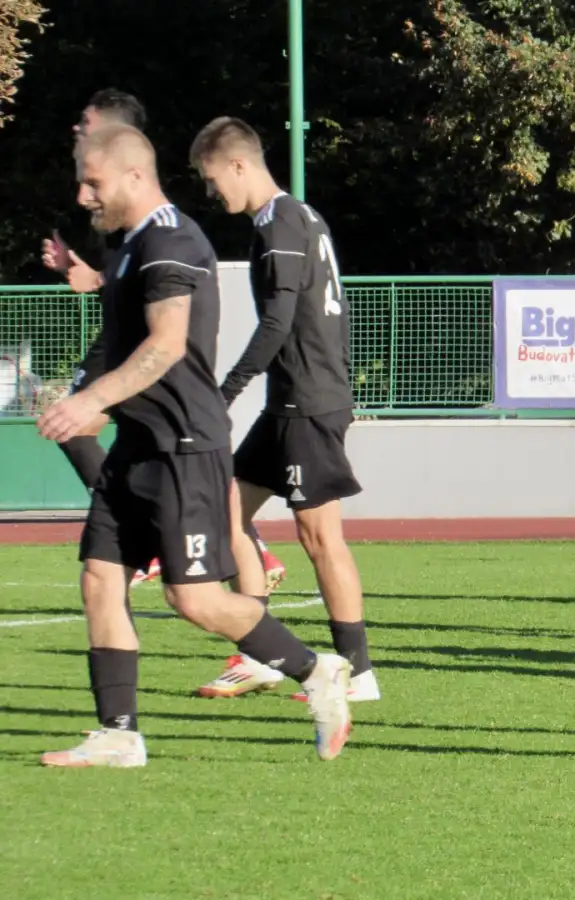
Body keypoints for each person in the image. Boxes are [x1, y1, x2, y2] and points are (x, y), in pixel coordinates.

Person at [34, 125, 351, 767]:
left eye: (92, 181)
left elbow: (167, 342)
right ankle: (119, 733)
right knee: (100, 577)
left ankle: (318, 671)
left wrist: (91, 400)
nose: (82, 194)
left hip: (185, 447)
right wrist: (86, 274)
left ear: (133, 178)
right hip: (137, 445)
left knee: (196, 601)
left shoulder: (172, 241)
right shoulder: (128, 245)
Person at [39, 90, 286, 592]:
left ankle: (288, 641)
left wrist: (98, 392)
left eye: (86, 121)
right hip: (134, 351)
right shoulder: (120, 208)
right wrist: (87, 275)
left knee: (78, 424)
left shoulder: (161, 222)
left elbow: (163, 313)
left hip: (152, 363)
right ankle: (226, 550)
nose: (76, 128)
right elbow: (129, 277)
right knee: (111, 574)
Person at [186, 117, 378, 704]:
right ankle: (260, 654)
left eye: (212, 177)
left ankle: (357, 673)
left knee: (321, 537)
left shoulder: (281, 224)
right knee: (225, 509)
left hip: (307, 402)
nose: (212, 192)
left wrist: (225, 391)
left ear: (239, 164)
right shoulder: (293, 217)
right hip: (291, 402)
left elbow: (280, 320)